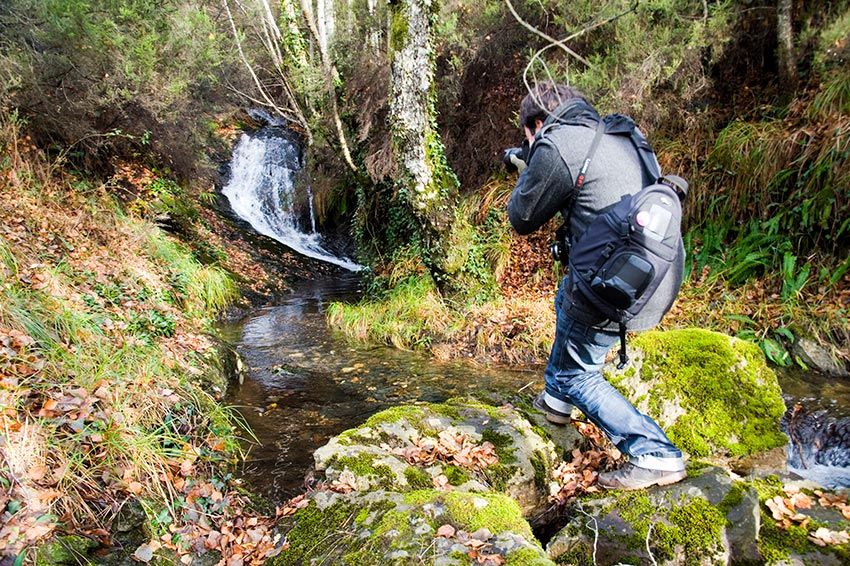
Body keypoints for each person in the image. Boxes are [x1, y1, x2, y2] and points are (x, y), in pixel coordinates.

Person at [506, 81, 686, 490]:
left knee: (579, 375)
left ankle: (654, 452)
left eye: (528, 134)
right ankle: (556, 403)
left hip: (611, 285)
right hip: (658, 275)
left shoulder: (557, 144)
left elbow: (522, 217)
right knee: (565, 302)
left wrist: (529, 165)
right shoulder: (617, 136)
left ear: (537, 124)